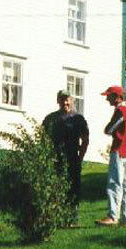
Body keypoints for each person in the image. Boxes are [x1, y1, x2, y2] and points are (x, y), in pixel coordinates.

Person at [43, 89, 89, 224]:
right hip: (55, 158)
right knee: (54, 187)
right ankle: (55, 217)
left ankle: (72, 218)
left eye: (67, 99)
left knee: (73, 188)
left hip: (72, 158)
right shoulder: (50, 118)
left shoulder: (78, 119)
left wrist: (80, 157)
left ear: (72, 101)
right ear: (58, 101)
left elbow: (85, 139)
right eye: (62, 99)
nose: (65, 102)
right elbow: (43, 138)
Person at [95, 85, 126, 227]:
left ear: (117, 97)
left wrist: (108, 129)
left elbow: (110, 129)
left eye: (109, 96)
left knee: (114, 184)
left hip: (119, 151)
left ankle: (112, 217)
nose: (107, 99)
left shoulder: (121, 110)